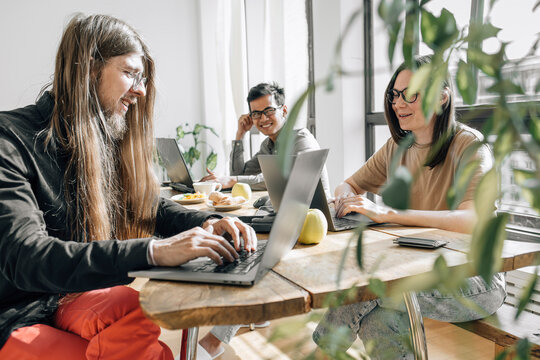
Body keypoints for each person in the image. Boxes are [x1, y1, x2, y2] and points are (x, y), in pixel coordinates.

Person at [0, 14, 257, 360]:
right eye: (131, 73)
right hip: (18, 314)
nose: (142, 90)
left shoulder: (101, 134)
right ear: (88, 69)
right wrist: (153, 251)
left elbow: (148, 204)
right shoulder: (10, 139)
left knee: (137, 311)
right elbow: (26, 256)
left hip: (71, 297)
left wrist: (206, 223)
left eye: (144, 78)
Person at [311, 55, 506, 359]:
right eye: (394, 94)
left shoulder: (470, 146)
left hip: (477, 279)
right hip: (419, 266)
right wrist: (347, 197)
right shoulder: (397, 147)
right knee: (379, 315)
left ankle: (321, 354)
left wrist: (388, 214)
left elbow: (473, 220)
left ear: (442, 97)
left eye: (409, 94)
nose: (397, 103)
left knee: (371, 289)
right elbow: (347, 184)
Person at [201, 82, 331, 196]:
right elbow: (241, 174)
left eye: (269, 110)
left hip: (318, 215)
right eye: (256, 114)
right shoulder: (268, 145)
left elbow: (284, 178)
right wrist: (240, 135)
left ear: (284, 111)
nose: (263, 119)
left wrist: (232, 180)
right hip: (287, 212)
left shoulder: (301, 139)